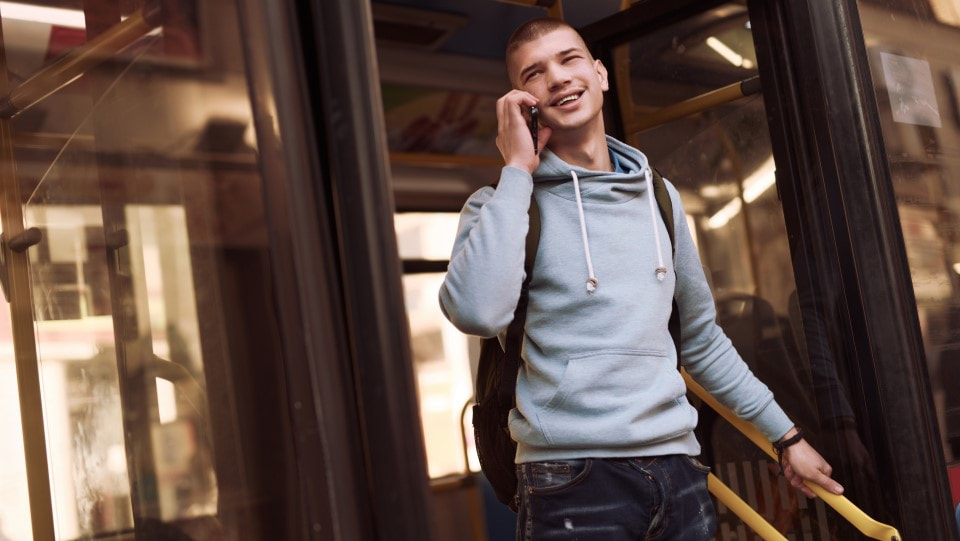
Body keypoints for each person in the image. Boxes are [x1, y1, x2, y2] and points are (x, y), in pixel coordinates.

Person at [439, 17, 843, 540]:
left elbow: (700, 341)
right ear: (522, 104)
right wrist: (517, 168)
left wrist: (786, 438)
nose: (557, 77)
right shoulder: (499, 205)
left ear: (600, 74)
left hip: (679, 470)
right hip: (570, 480)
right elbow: (476, 312)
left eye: (569, 59)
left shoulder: (659, 197)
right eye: (534, 73)